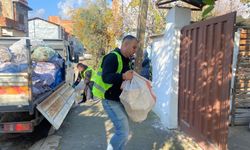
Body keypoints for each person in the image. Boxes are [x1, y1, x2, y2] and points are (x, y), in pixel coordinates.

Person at [92, 35, 138, 150]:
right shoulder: (112, 57)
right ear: (125, 45)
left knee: (124, 131)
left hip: (117, 99)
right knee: (123, 131)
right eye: (134, 47)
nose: (135, 51)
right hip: (109, 100)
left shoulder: (125, 59)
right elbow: (106, 77)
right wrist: (123, 76)